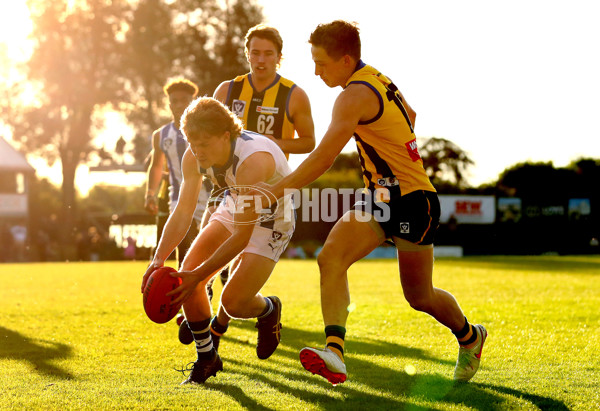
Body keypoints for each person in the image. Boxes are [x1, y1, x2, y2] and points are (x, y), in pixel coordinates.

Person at [255, 20, 486, 385]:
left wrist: (278, 188)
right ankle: (335, 351)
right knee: (330, 257)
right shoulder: (377, 77)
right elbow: (410, 114)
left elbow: (324, 157)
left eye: (322, 63)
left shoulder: (352, 95)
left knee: (420, 296)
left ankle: (471, 337)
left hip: (413, 200)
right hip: (379, 197)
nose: (316, 72)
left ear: (346, 60)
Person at [141, 97, 295, 384]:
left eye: (205, 144)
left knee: (233, 303)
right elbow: (183, 210)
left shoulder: (253, 160)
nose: (197, 151)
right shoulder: (195, 153)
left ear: (227, 135)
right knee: (187, 271)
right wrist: (158, 258)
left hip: (273, 217)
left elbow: (241, 238)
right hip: (236, 202)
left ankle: (268, 308)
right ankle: (207, 358)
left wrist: (198, 276)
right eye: (192, 143)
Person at [180, 24, 315, 349]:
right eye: (255, 52)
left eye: (268, 53)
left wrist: (264, 143)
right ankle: (201, 306)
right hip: (228, 182)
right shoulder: (228, 89)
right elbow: (208, 128)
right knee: (203, 243)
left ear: (279, 57)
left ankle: (232, 313)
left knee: (235, 287)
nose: (261, 59)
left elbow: (310, 142)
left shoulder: (293, 94)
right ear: (247, 54)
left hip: (267, 187)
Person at [144, 79, 211, 268]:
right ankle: (189, 293)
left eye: (185, 100)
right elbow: (156, 166)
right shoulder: (161, 135)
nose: (179, 104)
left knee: (214, 247)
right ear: (169, 104)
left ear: (194, 101)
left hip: (210, 198)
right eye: (175, 100)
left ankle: (219, 282)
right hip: (179, 200)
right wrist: (150, 193)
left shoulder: (209, 130)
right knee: (186, 249)